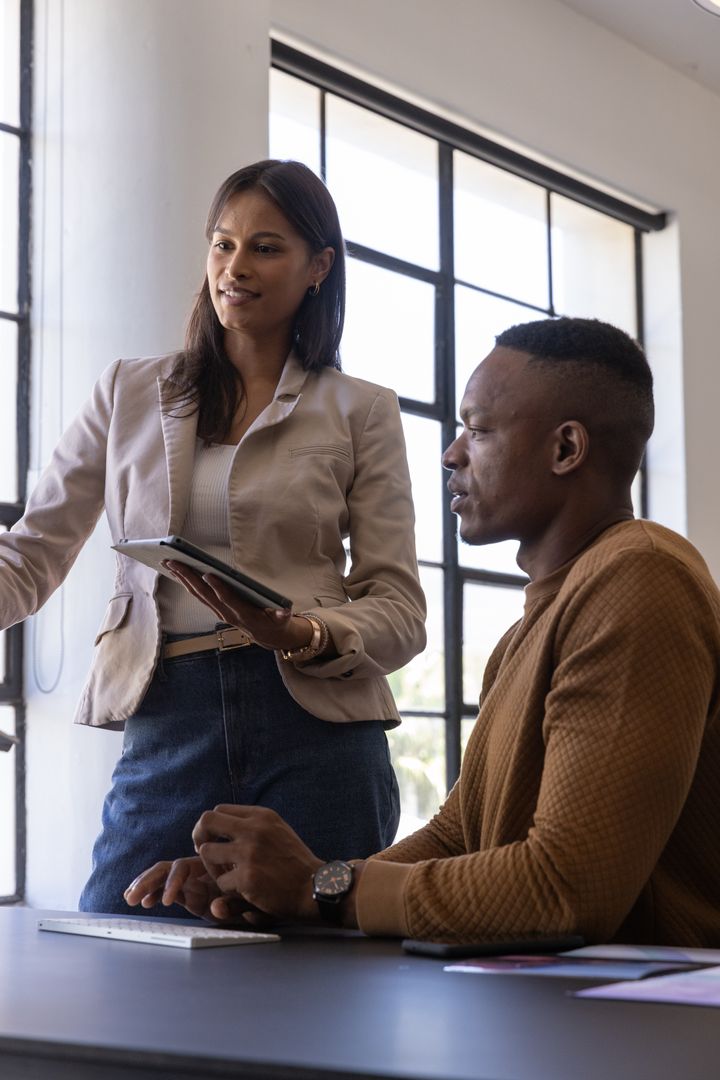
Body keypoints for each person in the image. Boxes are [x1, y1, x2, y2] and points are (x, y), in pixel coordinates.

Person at [126, 316, 720, 946]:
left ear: (565, 450)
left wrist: (318, 888)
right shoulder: (528, 633)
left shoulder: (640, 577)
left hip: (643, 1026)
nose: (452, 453)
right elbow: (457, 836)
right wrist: (277, 889)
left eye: (479, 430)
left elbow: (566, 889)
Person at [0, 159, 426, 915]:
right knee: (118, 944)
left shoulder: (362, 409)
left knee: (325, 982)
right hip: (170, 708)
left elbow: (398, 606)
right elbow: (31, 553)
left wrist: (302, 630)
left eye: (266, 248)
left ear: (318, 267)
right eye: (222, 244)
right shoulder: (130, 391)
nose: (236, 268)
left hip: (318, 726)